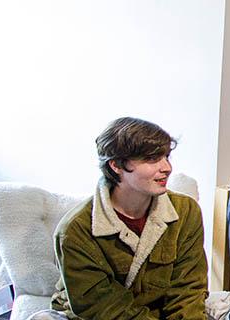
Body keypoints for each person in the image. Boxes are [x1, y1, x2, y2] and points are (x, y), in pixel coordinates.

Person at [50, 117, 207, 319]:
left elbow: (189, 289)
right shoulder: (75, 231)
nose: (166, 167)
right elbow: (104, 308)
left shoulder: (186, 211)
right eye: (151, 159)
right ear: (116, 165)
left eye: (166, 156)